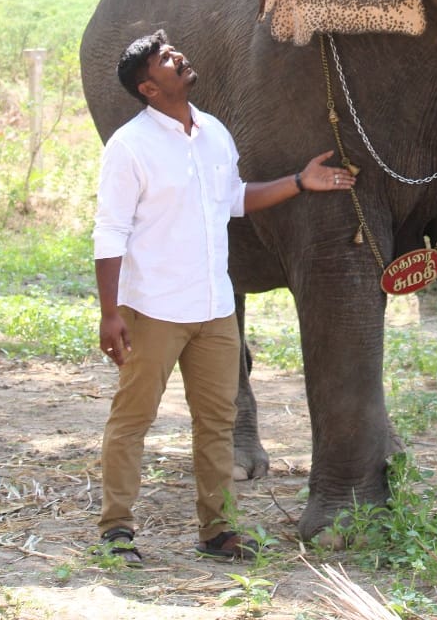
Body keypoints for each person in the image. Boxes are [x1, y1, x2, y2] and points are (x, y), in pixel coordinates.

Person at [92, 29, 355, 566]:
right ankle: (116, 529)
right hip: (153, 309)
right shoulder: (129, 147)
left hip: (215, 307)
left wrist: (300, 183)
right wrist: (110, 312)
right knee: (132, 420)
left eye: (174, 52)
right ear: (148, 88)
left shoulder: (212, 132)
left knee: (217, 422)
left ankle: (217, 531)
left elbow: (234, 199)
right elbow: (109, 232)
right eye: (166, 59)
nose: (179, 58)